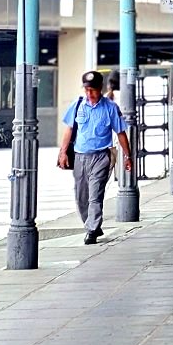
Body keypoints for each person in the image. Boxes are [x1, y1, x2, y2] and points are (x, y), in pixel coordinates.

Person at [58, 69, 133, 245]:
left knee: (95, 194)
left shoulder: (110, 108)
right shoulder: (77, 105)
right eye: (86, 90)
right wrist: (62, 152)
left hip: (101, 157)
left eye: (92, 89)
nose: (89, 93)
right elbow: (69, 129)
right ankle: (92, 223)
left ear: (100, 88)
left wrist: (128, 156)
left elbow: (121, 133)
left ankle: (92, 230)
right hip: (80, 157)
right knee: (81, 196)